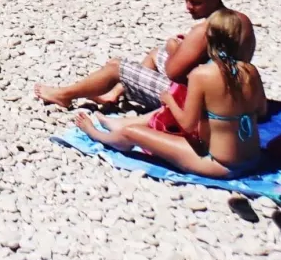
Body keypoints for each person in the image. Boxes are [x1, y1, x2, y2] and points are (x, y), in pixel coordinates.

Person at [75, 11, 267, 179]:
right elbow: (261, 109)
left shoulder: (202, 74)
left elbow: (187, 124)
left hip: (219, 164)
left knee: (131, 133)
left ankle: (97, 134)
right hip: (253, 159)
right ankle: (115, 124)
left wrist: (169, 101)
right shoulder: (250, 71)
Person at [34, 0, 255, 112]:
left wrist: (175, 48)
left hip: (195, 102)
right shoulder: (241, 20)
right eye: (186, 1)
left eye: (195, 2)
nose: (189, 8)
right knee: (155, 52)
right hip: (227, 92)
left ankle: (64, 95)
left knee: (116, 67)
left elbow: (173, 73)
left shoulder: (203, 31)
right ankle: (114, 94)